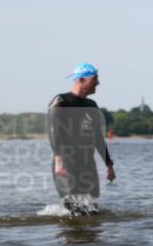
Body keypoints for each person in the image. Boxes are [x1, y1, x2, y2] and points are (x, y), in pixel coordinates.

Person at [48, 63, 116, 215]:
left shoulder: (91, 105)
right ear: (81, 80)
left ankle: (91, 239)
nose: (98, 83)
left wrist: (109, 165)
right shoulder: (60, 101)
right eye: (94, 79)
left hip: (87, 165)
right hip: (66, 163)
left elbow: (98, 138)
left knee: (92, 212)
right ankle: (72, 237)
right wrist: (59, 162)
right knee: (74, 210)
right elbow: (54, 132)